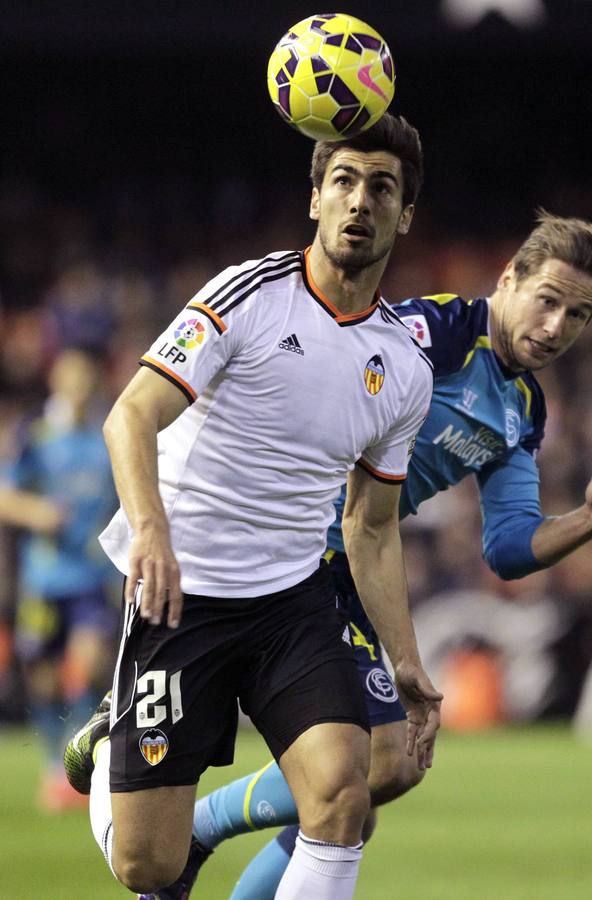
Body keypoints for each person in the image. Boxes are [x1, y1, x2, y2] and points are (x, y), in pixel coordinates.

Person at [153, 210, 592, 900]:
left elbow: (508, 547)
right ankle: (197, 822)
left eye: (578, 315)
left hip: (348, 566)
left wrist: (590, 519)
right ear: (508, 280)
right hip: (293, 544)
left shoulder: (523, 410)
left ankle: (199, 827)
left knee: (371, 787)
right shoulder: (436, 332)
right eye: (548, 300)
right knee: (368, 776)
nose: (557, 326)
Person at [62, 112, 441, 900]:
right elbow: (129, 414)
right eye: (343, 181)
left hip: (290, 604)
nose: (359, 201)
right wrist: (152, 536)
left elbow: (369, 526)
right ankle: (109, 747)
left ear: (405, 215)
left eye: (381, 187)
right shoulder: (250, 295)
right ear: (315, 200)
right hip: (181, 594)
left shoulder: (404, 368)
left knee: (344, 794)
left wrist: (405, 659)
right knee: (151, 867)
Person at [0, 347, 118, 812]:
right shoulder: (35, 433)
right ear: (56, 379)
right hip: (45, 580)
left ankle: (81, 763)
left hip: (93, 574)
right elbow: (6, 497)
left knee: (87, 665)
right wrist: (39, 513)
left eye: (88, 375)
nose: (80, 383)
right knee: (45, 679)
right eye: (72, 374)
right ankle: (56, 765)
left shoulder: (110, 431)